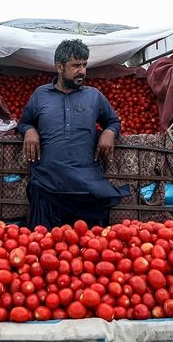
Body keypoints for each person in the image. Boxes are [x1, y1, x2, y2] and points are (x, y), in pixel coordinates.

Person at [17, 39, 130, 229]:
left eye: (84, 65)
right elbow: (24, 121)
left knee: (86, 250)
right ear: (59, 67)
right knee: (43, 248)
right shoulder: (40, 95)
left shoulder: (94, 96)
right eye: (76, 65)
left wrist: (109, 132)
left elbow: (113, 121)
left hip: (85, 186)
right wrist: (29, 130)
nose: (82, 71)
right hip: (47, 185)